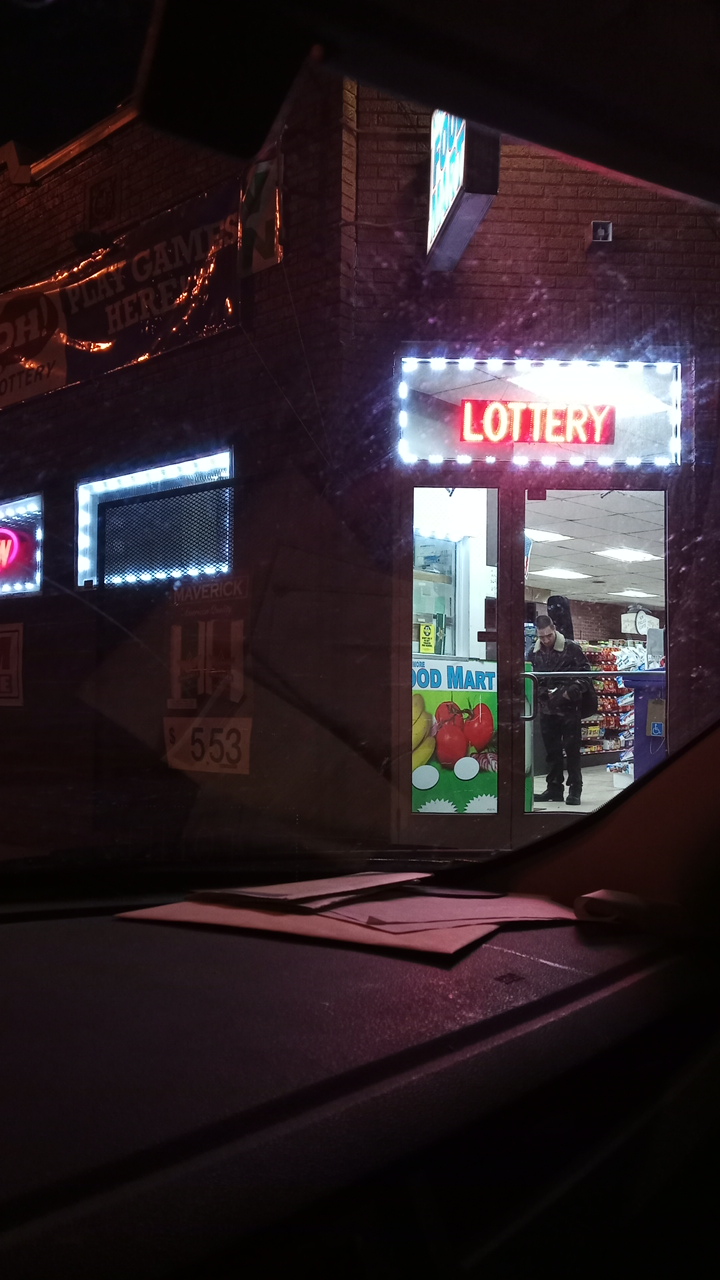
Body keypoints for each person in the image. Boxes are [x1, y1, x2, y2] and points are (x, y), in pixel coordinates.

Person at [531, 614, 592, 805]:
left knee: (572, 751)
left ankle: (575, 790)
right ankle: (554, 789)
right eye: (541, 637)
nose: (545, 640)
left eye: (548, 635)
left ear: (554, 628)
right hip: (547, 709)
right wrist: (542, 692)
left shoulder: (571, 648)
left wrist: (569, 692)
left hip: (569, 709)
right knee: (552, 752)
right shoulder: (533, 652)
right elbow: (532, 678)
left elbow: (586, 675)